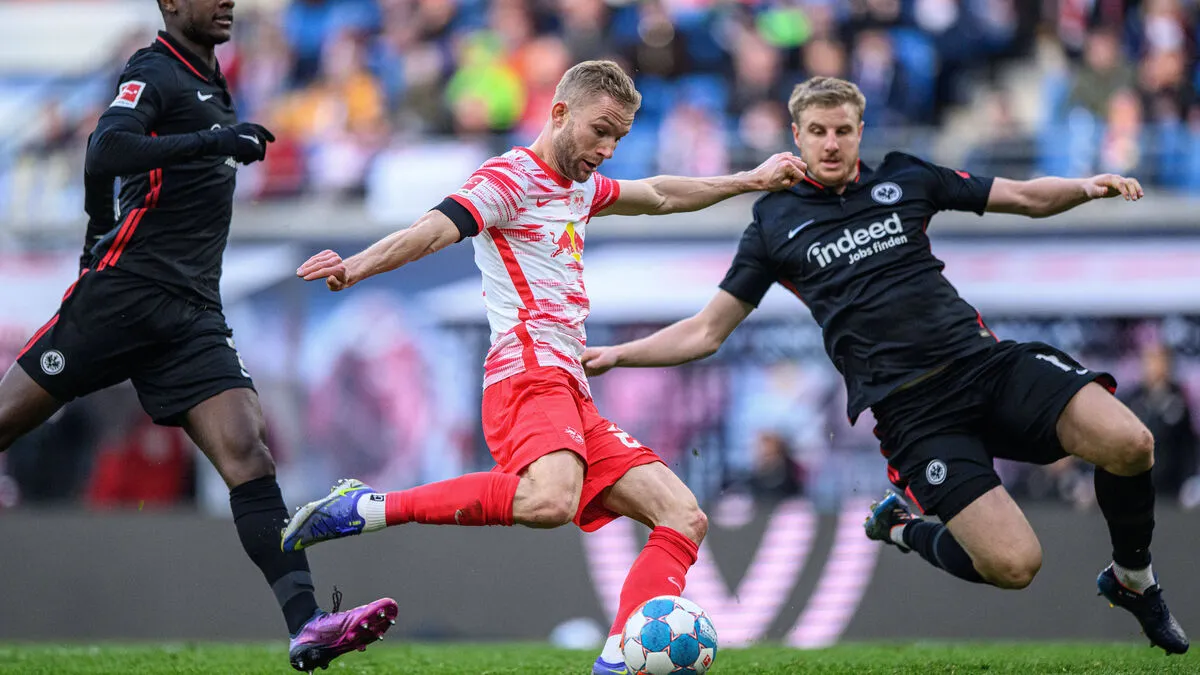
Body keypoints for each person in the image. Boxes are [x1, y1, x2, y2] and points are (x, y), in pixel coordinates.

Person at [581, 76, 1189, 654]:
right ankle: (901, 526)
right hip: (914, 413)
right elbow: (707, 331)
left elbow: (1025, 197)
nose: (830, 142)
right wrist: (618, 355)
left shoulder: (906, 177)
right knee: (1014, 566)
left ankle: (1133, 576)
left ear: (859, 129)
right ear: (797, 134)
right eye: (817, 130)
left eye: (842, 130)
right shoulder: (773, 224)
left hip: (985, 365)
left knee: (1130, 441)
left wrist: (1087, 186)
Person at [279, 60, 807, 674]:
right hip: (526, 370)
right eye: (599, 131)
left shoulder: (580, 185)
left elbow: (660, 193)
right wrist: (356, 266)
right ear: (559, 113)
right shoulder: (509, 179)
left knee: (683, 515)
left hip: (570, 384)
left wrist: (751, 178)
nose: (606, 149)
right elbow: (431, 231)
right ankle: (367, 507)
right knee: (548, 501)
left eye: (619, 138)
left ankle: (616, 661)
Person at [0, 0, 398, 671]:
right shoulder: (153, 69)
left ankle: (309, 625)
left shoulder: (211, 77)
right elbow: (107, 146)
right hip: (124, 297)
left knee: (248, 452)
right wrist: (206, 146)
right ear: (170, 4)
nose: (226, 2)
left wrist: (101, 217)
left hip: (191, 313)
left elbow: (109, 168)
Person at [1123, 340, 1199, 504]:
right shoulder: (1134, 399)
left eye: (1158, 361)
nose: (1152, 367)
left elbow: (1187, 443)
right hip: (1136, 484)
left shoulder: (1178, 398)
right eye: (1148, 361)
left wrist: (1190, 479)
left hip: (1171, 484)